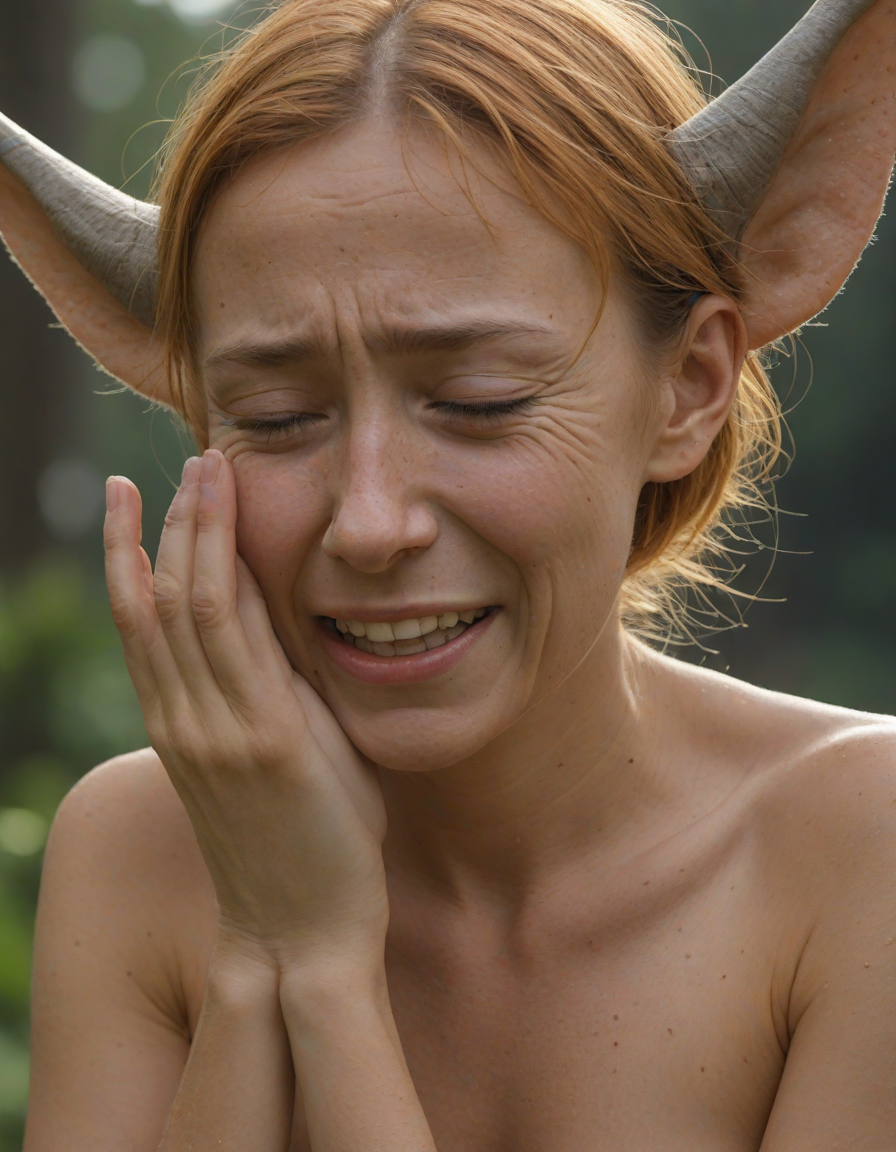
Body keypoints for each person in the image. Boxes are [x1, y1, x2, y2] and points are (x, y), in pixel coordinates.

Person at [1, 0, 894, 1147]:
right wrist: (261, 944)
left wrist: (316, 967)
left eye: (480, 402)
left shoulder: (855, 850)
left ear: (686, 387)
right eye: (275, 417)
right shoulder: (136, 854)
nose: (369, 523)